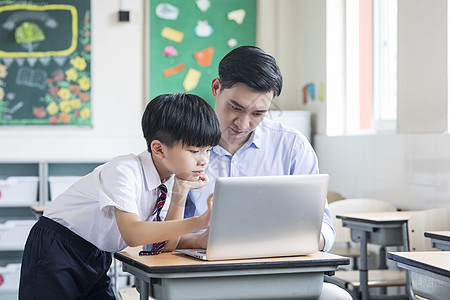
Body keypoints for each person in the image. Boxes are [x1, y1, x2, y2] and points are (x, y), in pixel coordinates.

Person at [177, 46, 352, 300]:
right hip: (202, 276)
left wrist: (301, 242)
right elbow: (156, 233)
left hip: (276, 274)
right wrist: (197, 240)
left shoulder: (291, 145)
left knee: (337, 298)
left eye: (258, 113)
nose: (243, 123)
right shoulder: (182, 146)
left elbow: (323, 225)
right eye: (235, 107)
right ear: (216, 88)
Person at [19, 93, 221, 299]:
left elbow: (166, 245)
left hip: (97, 254)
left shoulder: (169, 180)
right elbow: (132, 234)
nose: (204, 160)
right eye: (195, 151)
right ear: (159, 149)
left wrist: (180, 194)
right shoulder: (124, 170)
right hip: (58, 246)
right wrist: (199, 222)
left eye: (208, 150)